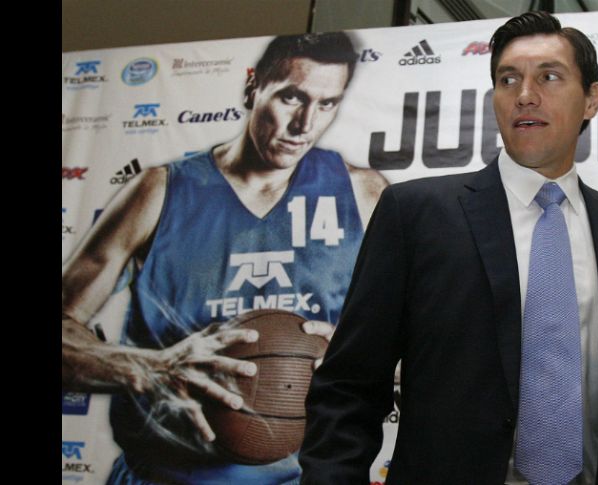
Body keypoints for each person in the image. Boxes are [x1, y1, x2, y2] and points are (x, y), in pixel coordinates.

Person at [299, 12, 598, 485]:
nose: (525, 94)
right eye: (508, 79)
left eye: (549, 76)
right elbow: (348, 388)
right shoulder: (416, 215)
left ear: (592, 99)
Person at [61, 32, 388, 485]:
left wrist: (363, 357)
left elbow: (425, 342)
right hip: (162, 475)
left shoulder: (363, 194)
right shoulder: (161, 191)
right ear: (253, 87)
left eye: (327, 104)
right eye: (292, 97)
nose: (305, 124)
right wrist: (151, 368)